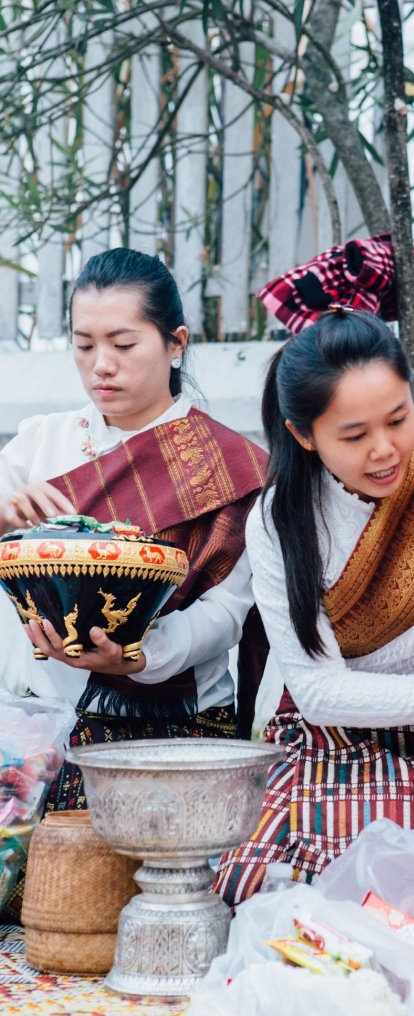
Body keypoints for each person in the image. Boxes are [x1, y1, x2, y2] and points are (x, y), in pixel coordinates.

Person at [213, 307, 414, 909]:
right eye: (354, 435)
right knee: (242, 884)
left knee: (406, 887)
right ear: (303, 434)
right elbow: (316, 692)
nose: (385, 449)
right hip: (324, 737)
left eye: (398, 419)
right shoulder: (279, 518)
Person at [0, 248, 268, 917]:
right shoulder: (39, 443)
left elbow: (226, 613)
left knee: (169, 913)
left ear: (176, 343)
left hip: (177, 735)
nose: (102, 365)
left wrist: (138, 655)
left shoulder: (230, 464)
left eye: (123, 342)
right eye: (84, 344)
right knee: (46, 915)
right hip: (52, 738)